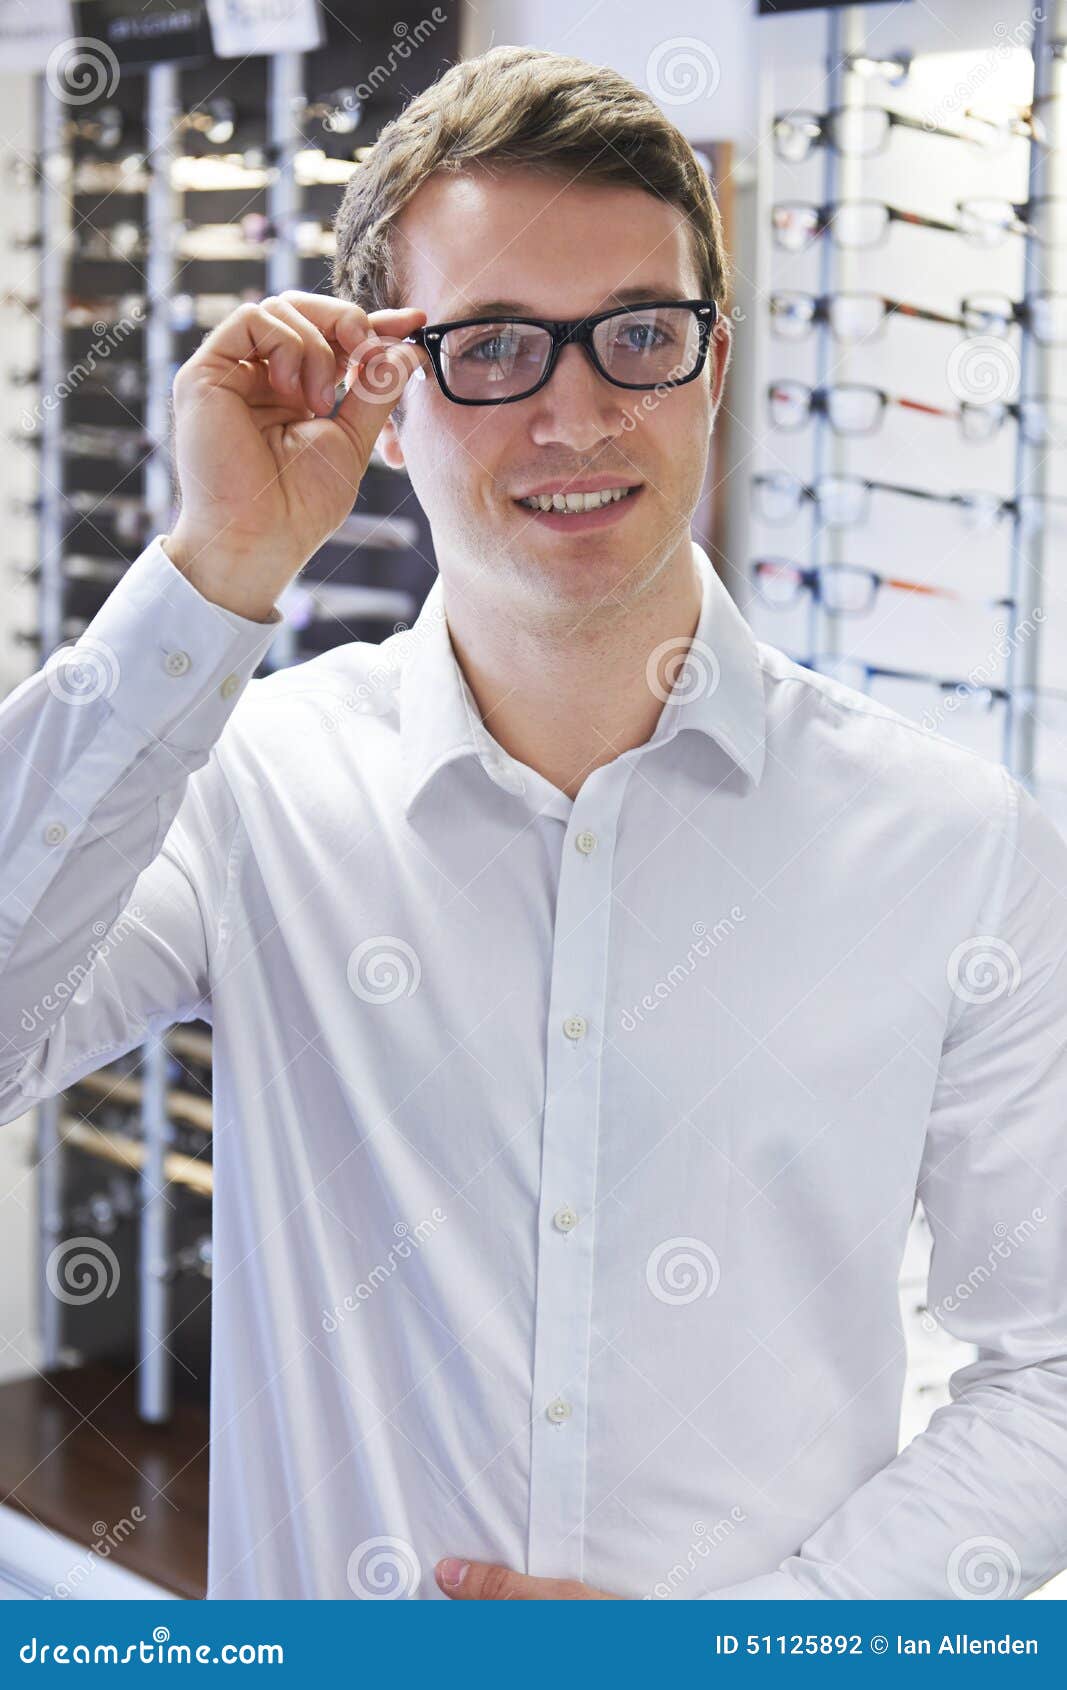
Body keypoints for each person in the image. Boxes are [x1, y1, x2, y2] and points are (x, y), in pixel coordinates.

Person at [2, 44, 1066, 1602]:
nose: (577, 415)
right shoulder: (251, 789)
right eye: (494, 344)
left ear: (710, 363)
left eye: (639, 334)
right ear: (382, 398)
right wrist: (207, 569)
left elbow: (1049, 1366)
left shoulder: (961, 847)